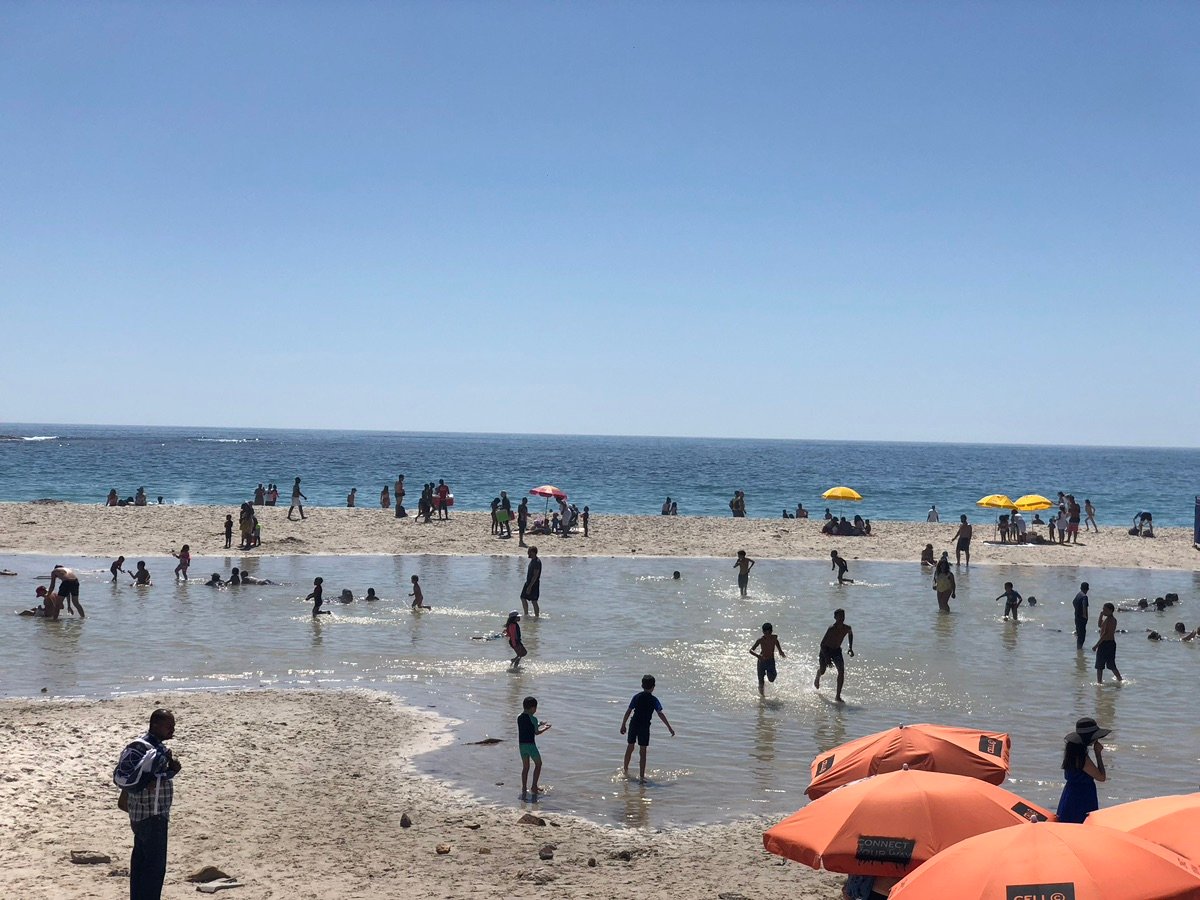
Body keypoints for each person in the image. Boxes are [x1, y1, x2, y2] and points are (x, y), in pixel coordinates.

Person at [113, 708, 181, 900]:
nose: (172, 730)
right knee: (154, 869)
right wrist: (172, 769)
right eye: (169, 726)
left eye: (173, 726)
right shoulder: (155, 753)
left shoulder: (139, 747)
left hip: (137, 815)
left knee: (140, 864)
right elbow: (153, 781)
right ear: (155, 725)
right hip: (154, 816)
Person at [620, 674, 675, 783]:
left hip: (634, 724)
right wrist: (669, 727)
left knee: (630, 747)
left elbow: (629, 711)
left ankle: (625, 771)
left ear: (642, 685)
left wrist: (623, 724)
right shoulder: (654, 700)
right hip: (644, 727)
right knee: (643, 751)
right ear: (653, 687)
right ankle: (641, 777)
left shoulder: (637, 697)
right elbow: (660, 714)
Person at [1055, 717, 1109, 823]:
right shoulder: (1082, 758)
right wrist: (1098, 754)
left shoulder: (1072, 753)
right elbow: (1101, 777)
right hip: (1082, 797)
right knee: (1081, 827)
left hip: (1070, 794)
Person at [815, 609, 854, 702]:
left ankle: (838, 696)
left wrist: (850, 647)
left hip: (837, 651)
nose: (841, 618)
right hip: (826, 650)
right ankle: (818, 675)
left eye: (843, 616)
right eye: (839, 616)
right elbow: (822, 644)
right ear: (835, 617)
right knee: (823, 670)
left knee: (841, 671)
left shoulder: (847, 628)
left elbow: (850, 634)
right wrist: (827, 658)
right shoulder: (832, 628)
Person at [517, 696, 551, 802]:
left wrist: (539, 724)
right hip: (531, 745)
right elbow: (536, 732)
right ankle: (534, 786)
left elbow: (528, 726)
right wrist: (545, 728)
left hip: (522, 745)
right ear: (532, 708)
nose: (536, 710)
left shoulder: (519, 717)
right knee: (538, 764)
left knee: (525, 767)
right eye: (535, 708)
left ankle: (524, 787)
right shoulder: (533, 718)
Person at [750, 623, 786, 696]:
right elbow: (751, 650)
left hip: (770, 661)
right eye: (765, 633)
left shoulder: (774, 638)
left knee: (771, 679)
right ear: (763, 632)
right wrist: (758, 656)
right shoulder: (760, 640)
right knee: (761, 681)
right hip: (761, 661)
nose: (767, 634)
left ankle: (773, 673)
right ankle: (762, 697)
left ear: (771, 631)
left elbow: (777, 643)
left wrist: (780, 651)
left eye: (769, 632)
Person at [1094, 603, 1123, 683]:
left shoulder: (1111, 620)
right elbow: (1100, 625)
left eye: (1105, 610)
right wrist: (1101, 615)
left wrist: (1096, 645)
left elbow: (1105, 634)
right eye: (1103, 609)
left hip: (1106, 643)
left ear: (1110, 610)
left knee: (1101, 665)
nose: (1103, 611)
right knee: (1109, 664)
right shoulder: (1107, 619)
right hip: (1108, 644)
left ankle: (1099, 682)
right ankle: (1120, 679)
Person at [521, 546, 542, 617]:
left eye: (529, 552)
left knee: (534, 601)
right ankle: (526, 614)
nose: (528, 554)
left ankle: (537, 616)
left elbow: (535, 575)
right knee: (523, 598)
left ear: (533, 552)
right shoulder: (532, 561)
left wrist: (530, 586)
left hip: (534, 584)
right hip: (528, 582)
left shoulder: (537, 562)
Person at [1073, 582, 1091, 650]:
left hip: (1077, 617)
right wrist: (1084, 615)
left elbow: (1073, 602)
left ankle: (1079, 649)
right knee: (1082, 636)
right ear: (1087, 589)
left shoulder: (1078, 594)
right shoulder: (1084, 597)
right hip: (1082, 619)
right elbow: (1084, 605)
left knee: (1079, 634)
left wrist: (1077, 610)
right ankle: (1079, 649)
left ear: (1081, 588)